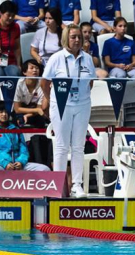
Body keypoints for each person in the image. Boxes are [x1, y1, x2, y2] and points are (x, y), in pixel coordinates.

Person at [41, 25, 96, 198]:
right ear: (66, 38)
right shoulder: (56, 58)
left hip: (82, 104)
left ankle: (76, 185)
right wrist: (52, 100)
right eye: (73, 37)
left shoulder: (88, 59)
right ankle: (58, 185)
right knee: (61, 145)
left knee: (78, 146)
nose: (77, 40)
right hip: (61, 104)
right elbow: (44, 83)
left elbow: (90, 83)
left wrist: (80, 97)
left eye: (79, 37)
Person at [0, 101, 51, 172]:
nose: (4, 114)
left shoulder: (15, 128)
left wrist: (21, 162)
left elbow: (23, 148)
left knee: (45, 169)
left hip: (18, 164)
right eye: (1, 112)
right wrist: (5, 163)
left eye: (6, 112)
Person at [13, 60, 48, 127]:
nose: (35, 70)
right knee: (19, 120)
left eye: (37, 68)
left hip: (34, 113)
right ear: (24, 72)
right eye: (31, 68)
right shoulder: (20, 83)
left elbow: (40, 109)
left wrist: (27, 115)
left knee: (40, 120)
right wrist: (36, 110)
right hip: (21, 111)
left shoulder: (42, 84)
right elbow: (17, 109)